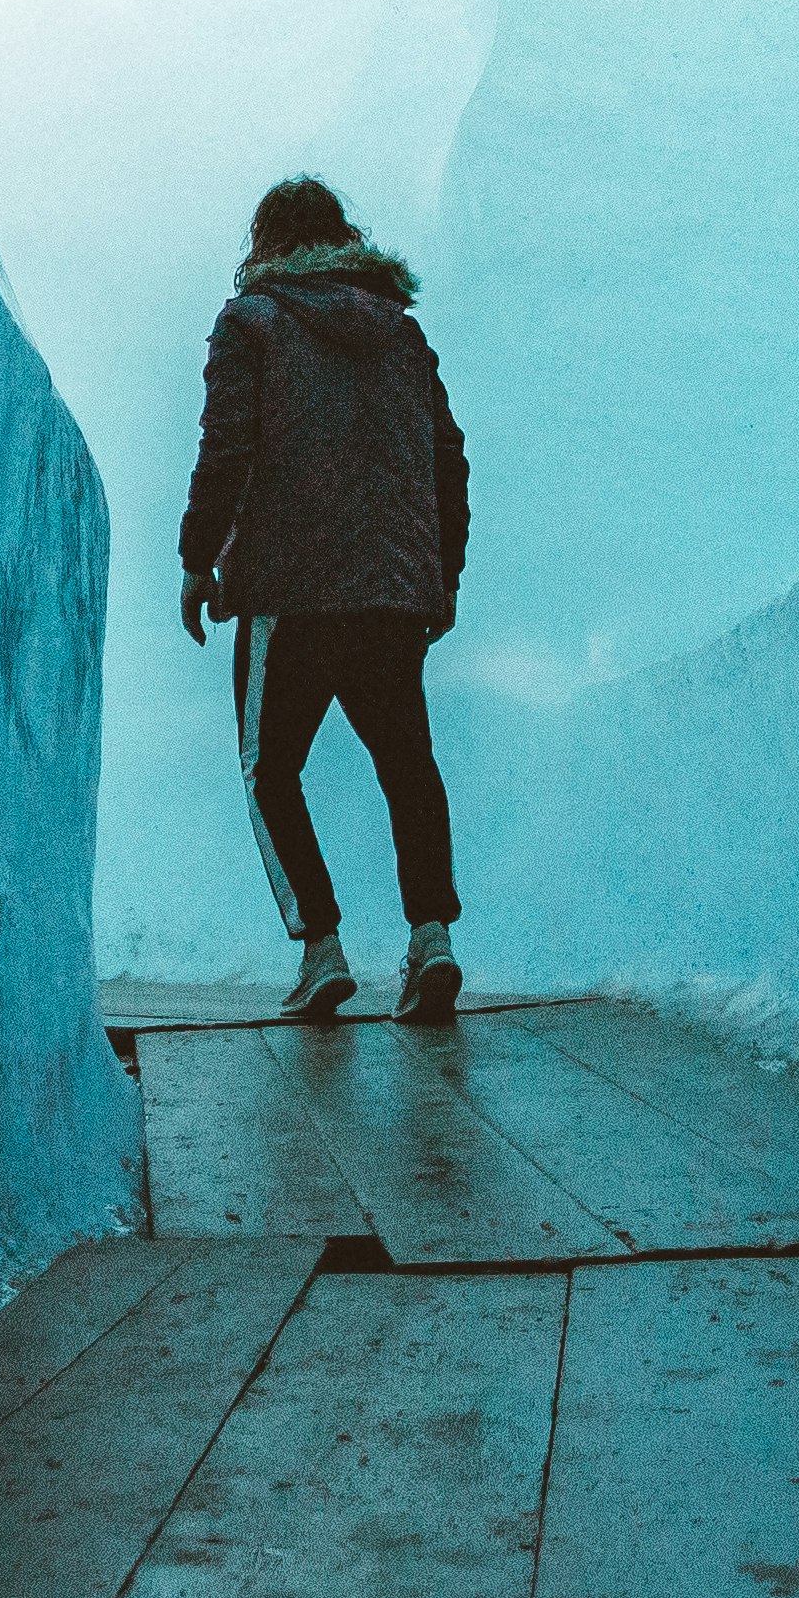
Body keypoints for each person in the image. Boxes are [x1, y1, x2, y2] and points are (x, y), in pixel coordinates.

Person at [177, 175, 473, 1023]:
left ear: (265, 242)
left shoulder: (251, 323)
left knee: (269, 770)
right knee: (407, 768)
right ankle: (432, 943)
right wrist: (442, 576)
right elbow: (448, 462)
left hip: (291, 594)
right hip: (388, 596)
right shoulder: (401, 336)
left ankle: (322, 950)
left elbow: (226, 445)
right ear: (345, 237)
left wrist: (200, 560)